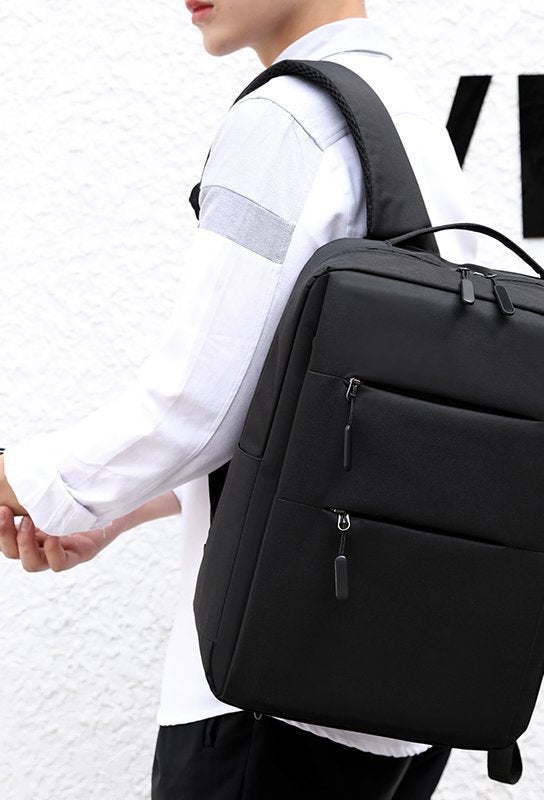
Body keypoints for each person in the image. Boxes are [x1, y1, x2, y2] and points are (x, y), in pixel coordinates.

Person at [0, 1, 475, 797]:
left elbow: (197, 404)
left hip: (266, 693)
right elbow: (332, 419)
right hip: (405, 693)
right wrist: (120, 510)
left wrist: (26, 480)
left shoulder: (289, 120)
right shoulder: (406, 118)